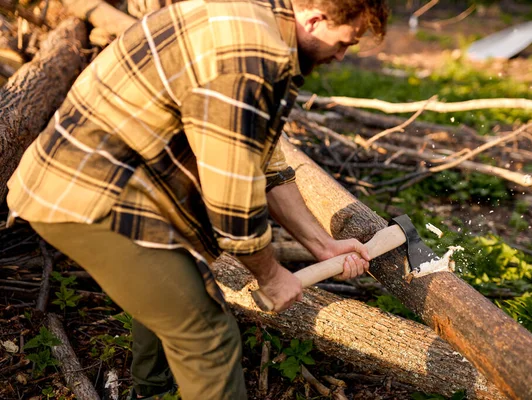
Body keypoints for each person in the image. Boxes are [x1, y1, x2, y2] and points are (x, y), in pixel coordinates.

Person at [6, 0, 389, 398]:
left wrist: (322, 244)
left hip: (125, 182)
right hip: (87, 189)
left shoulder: (256, 19)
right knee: (209, 336)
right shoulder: (251, 54)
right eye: (345, 42)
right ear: (314, 18)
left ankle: (152, 391)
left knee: (178, 279)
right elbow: (233, 199)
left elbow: (265, 162)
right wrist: (271, 275)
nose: (341, 56)